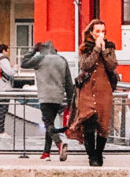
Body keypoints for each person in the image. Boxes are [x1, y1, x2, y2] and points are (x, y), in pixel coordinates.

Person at [67, 19, 118, 166]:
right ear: (91, 33)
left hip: (104, 90)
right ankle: (91, 156)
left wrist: (103, 50)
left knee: (103, 124)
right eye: (97, 32)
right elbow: (85, 65)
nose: (101, 34)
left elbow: (112, 65)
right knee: (88, 121)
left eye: (103, 31)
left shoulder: (109, 47)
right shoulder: (85, 48)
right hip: (87, 90)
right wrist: (96, 49)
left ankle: (99, 153)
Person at [22, 40, 74, 160]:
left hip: (45, 96)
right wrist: (70, 102)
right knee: (50, 123)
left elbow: (24, 63)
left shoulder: (40, 58)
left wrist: (33, 50)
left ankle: (59, 144)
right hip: (58, 97)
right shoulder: (62, 60)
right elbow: (69, 83)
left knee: (48, 123)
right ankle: (46, 153)